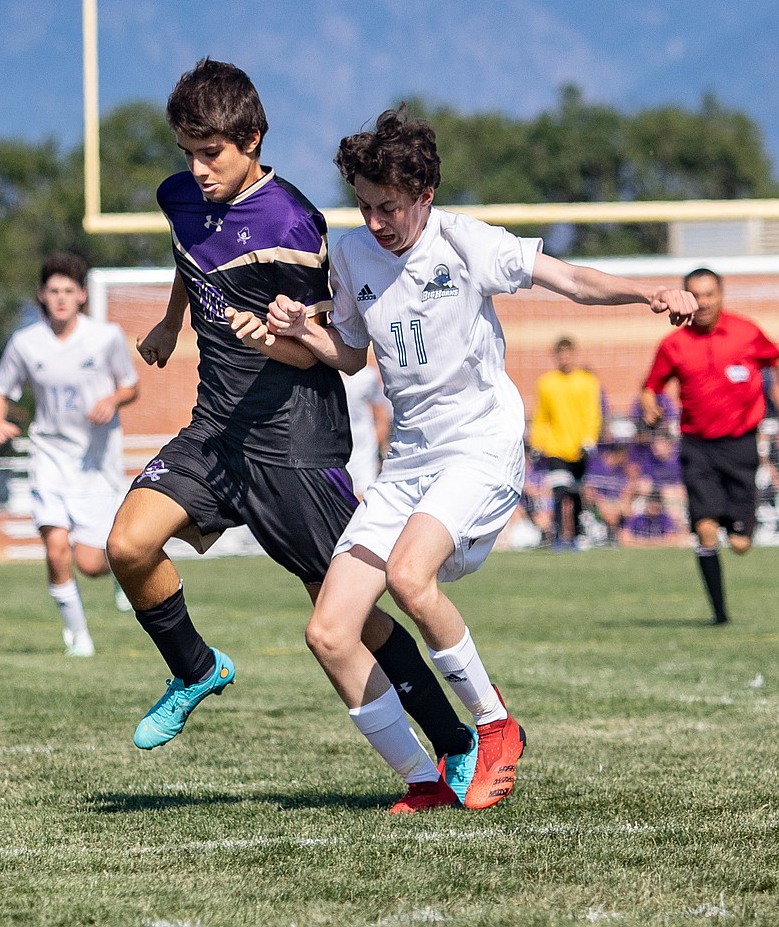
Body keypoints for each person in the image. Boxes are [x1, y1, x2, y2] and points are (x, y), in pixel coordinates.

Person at [263, 106, 696, 811]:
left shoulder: (465, 242)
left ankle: (496, 725)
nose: (375, 221)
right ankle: (425, 781)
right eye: (365, 206)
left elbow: (573, 281)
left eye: (390, 207)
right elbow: (347, 355)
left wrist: (648, 293)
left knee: (410, 576)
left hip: (480, 445)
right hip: (409, 461)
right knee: (330, 630)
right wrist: (291, 335)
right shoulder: (348, 255)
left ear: (425, 196)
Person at [105, 59, 479, 800]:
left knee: (347, 618)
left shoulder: (295, 223)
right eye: (187, 152)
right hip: (216, 428)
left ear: (251, 140)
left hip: (294, 444)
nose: (197, 168)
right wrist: (171, 321)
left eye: (211, 153)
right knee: (127, 544)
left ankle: (455, 739)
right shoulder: (178, 197)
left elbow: (336, 341)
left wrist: (279, 330)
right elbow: (193, 256)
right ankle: (195, 668)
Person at [0, 252, 140, 656]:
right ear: (41, 295)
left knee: (90, 563)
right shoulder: (25, 343)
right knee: (55, 546)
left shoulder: (105, 337)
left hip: (94, 461)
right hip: (48, 456)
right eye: (53, 290)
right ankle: (77, 636)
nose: (60, 298)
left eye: (68, 291)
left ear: (82, 296)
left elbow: (131, 385)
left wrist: (113, 399)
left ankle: (120, 573)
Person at [639, 267, 779, 625]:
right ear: (686, 297)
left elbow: (774, 357)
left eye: (709, 295)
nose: (702, 303)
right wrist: (649, 401)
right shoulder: (674, 343)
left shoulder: (747, 333)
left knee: (741, 544)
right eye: (695, 296)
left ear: (721, 296)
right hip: (697, 447)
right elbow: (651, 385)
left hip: (741, 446)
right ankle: (719, 614)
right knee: (704, 529)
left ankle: (741, 530)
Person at [528, 337, 601, 549]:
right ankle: (559, 538)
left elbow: (592, 413)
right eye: (561, 354)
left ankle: (577, 536)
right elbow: (541, 416)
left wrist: (589, 439)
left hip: (579, 449)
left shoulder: (587, 382)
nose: (565, 359)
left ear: (574, 354)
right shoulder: (546, 383)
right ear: (555, 356)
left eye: (568, 354)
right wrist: (537, 442)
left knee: (576, 493)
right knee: (559, 492)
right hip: (555, 448)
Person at [342, 362, 391, 498]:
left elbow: (381, 416)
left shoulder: (368, 376)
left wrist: (375, 447)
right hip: (336, 450)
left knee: (363, 502)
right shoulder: (324, 375)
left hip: (364, 452)